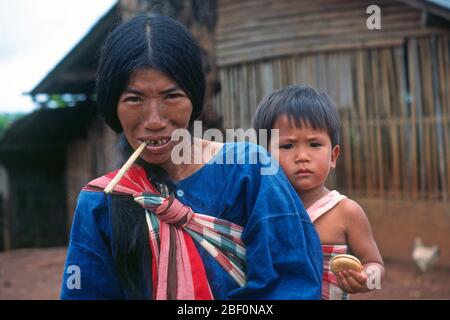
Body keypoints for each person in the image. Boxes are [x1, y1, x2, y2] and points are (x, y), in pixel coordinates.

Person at [60, 14, 323, 300]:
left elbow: (292, 285)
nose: (154, 120)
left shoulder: (249, 171)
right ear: (113, 105)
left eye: (171, 96)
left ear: (194, 98)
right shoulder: (101, 201)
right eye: (134, 99)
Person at [253, 85, 385, 300]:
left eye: (314, 144)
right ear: (264, 156)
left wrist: (366, 278)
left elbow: (376, 264)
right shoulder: (259, 209)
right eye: (287, 146)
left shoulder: (346, 212)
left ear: (333, 156)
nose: (302, 156)